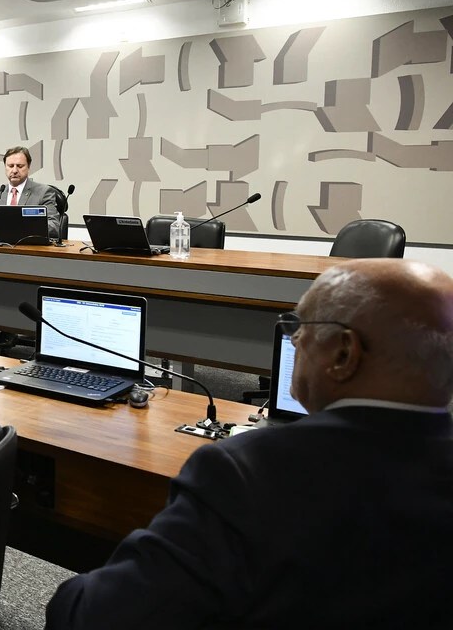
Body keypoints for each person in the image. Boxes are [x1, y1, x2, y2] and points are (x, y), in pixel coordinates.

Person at [44, 257, 453, 630]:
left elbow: (99, 617)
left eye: (300, 327)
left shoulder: (251, 473)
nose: (293, 341)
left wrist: (67, 594)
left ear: (344, 354)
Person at [0, 145, 67, 232]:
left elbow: (54, 226)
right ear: (5, 167)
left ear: (28, 167)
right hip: (1, 245)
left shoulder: (44, 192)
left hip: (30, 244)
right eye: (11, 166)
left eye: (20, 166)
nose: (14, 170)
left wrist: (21, 228)